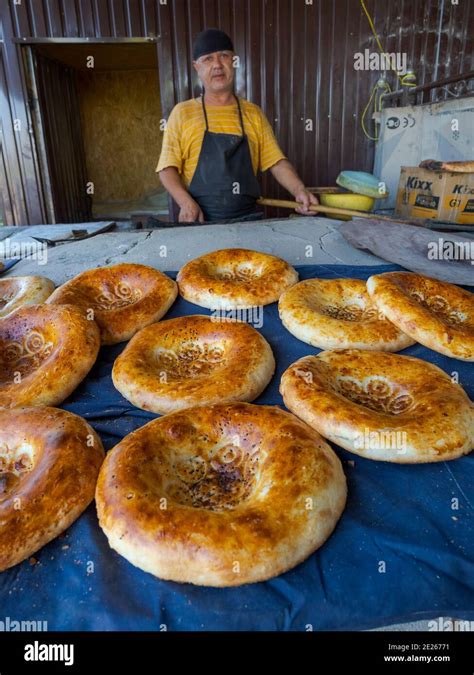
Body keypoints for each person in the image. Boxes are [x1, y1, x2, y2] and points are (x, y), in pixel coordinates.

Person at [156, 28, 318, 223]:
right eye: (208, 59)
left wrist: (299, 190)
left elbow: (276, 162)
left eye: (224, 56)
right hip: (199, 222)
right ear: (196, 67)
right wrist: (185, 203)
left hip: (248, 222)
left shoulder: (253, 113)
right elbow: (167, 168)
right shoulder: (182, 113)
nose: (217, 64)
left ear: (233, 62)